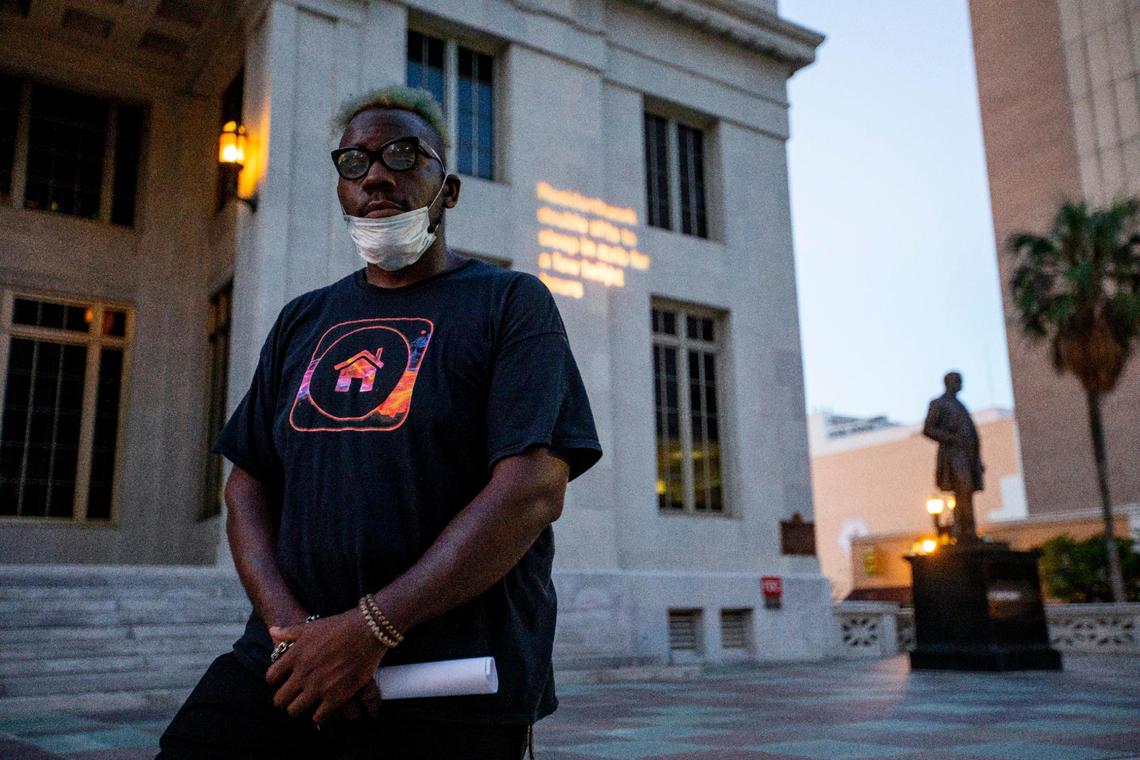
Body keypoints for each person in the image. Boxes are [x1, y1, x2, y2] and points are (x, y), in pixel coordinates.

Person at [159, 85, 602, 759]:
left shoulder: (510, 303)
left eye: (403, 154)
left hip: (448, 682)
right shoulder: (303, 319)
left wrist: (370, 631)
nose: (376, 175)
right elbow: (246, 488)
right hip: (287, 664)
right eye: (354, 162)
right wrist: (293, 633)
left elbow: (533, 488)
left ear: (448, 189)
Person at [922, 371, 984, 542]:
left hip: (968, 454)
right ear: (949, 383)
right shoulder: (939, 403)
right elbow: (928, 429)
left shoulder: (960, 405)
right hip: (953, 454)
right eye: (958, 381)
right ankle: (962, 529)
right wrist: (950, 438)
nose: (960, 385)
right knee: (963, 487)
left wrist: (977, 460)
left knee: (967, 490)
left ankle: (968, 531)